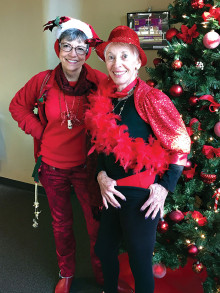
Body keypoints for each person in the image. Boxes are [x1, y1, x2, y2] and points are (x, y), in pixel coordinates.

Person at [85, 26, 191, 293]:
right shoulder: (106, 98)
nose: (116, 64)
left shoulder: (152, 98)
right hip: (112, 190)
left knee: (139, 259)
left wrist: (164, 186)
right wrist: (101, 176)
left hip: (140, 193)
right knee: (104, 249)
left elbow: (181, 144)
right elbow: (101, 146)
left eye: (124, 56)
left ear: (136, 62)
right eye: (110, 57)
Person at [9, 16, 107, 293]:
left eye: (80, 48)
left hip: (87, 167)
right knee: (62, 224)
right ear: (58, 48)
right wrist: (41, 132)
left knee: (95, 225)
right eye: (67, 46)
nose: (73, 54)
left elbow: (117, 108)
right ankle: (66, 273)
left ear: (87, 52)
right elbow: (17, 106)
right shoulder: (43, 82)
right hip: (52, 167)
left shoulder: (98, 82)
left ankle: (103, 275)